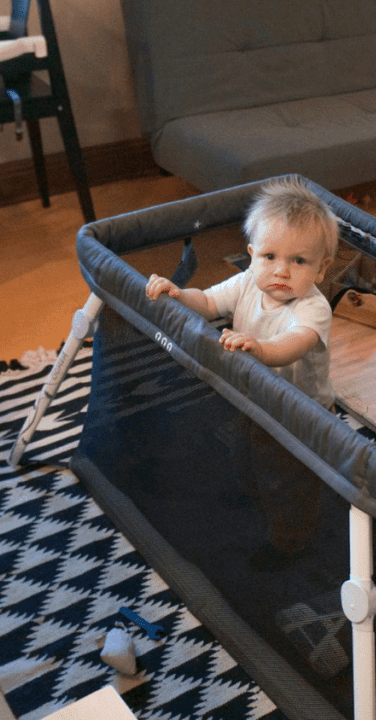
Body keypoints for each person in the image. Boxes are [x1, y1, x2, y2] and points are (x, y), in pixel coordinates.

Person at [146, 175, 339, 567]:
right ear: (251, 255)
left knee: (289, 478)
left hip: (298, 413)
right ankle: (254, 494)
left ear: (321, 269)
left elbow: (293, 344)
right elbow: (208, 301)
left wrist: (260, 348)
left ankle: (290, 541)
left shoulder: (313, 308)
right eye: (270, 256)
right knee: (245, 453)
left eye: (298, 261)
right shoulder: (248, 282)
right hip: (252, 395)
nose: (281, 271)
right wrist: (179, 294)